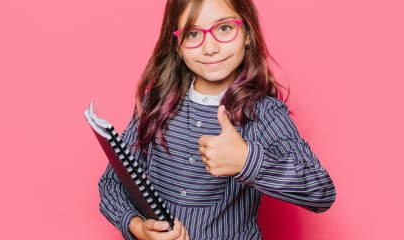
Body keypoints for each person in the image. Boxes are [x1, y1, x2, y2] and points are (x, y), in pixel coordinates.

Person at [98, 0, 336, 239]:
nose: (210, 48)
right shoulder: (156, 104)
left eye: (224, 28)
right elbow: (111, 183)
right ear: (177, 46)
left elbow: (321, 192)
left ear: (247, 33)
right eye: (193, 34)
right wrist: (137, 226)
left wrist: (246, 161)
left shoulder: (263, 114)